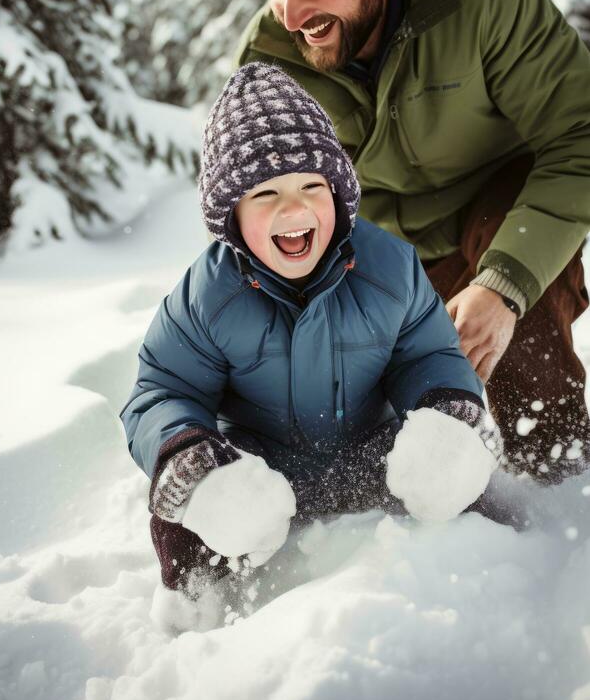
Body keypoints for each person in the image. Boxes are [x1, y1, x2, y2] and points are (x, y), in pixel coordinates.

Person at [234, 0, 590, 483]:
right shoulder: (272, 61)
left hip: (500, 210)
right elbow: (264, 220)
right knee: (346, 438)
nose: (289, 15)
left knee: (520, 331)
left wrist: (502, 288)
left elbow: (580, 135)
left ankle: (560, 491)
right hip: (383, 256)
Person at [121, 62, 500, 593]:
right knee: (183, 507)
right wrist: (191, 460)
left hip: (376, 453)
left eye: (310, 185)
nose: (294, 207)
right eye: (265, 194)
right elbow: (163, 390)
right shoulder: (208, 297)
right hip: (265, 472)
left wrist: (447, 414)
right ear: (230, 215)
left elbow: (428, 356)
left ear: (339, 194)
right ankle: (201, 611)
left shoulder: (389, 268)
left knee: (454, 468)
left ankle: (496, 569)